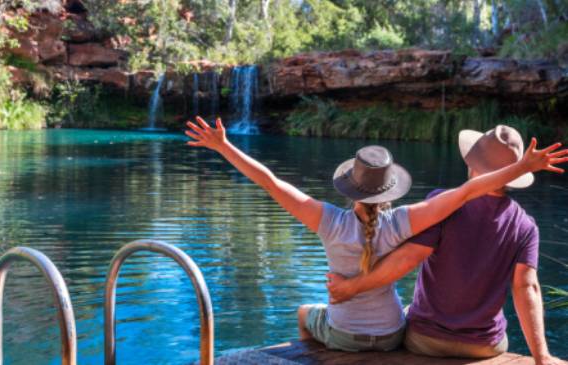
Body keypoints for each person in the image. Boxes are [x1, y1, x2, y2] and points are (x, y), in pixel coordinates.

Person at [185, 117, 568, 353]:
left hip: (357, 335)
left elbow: (270, 182)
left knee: (306, 314)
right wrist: (520, 166)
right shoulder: (404, 220)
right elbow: (469, 192)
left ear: (348, 186)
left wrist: (224, 146)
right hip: (396, 335)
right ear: (390, 191)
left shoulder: (328, 221)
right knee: (401, 313)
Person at [326, 125, 566, 364]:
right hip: (485, 345)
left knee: (403, 314)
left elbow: (407, 259)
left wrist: (352, 287)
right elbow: (527, 288)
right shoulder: (525, 226)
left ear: (472, 164)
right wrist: (541, 356)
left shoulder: (444, 205)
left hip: (427, 341)